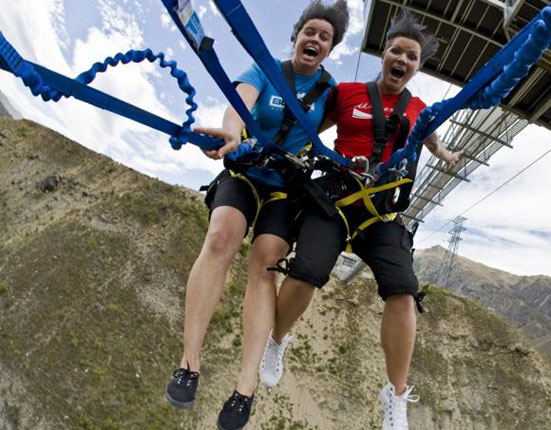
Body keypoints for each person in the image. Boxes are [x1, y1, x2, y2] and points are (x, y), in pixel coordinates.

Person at [256, 11, 462, 430]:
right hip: (336, 198)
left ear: (416, 67)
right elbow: (312, 125)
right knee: (307, 271)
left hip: (381, 212)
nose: (402, 59)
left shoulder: (418, 108)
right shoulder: (347, 93)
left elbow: (430, 137)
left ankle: (396, 394)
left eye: (412, 56)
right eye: (397, 51)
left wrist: (445, 155)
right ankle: (276, 340)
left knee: (403, 291)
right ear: (384, 54)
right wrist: (273, 144)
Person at [163, 2, 349, 430]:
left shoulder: (331, 92)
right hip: (246, 172)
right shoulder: (265, 70)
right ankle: (189, 363)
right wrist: (232, 133)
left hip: (284, 187)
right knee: (220, 238)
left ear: (330, 49)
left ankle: (244, 388)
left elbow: (347, 125)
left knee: (265, 263)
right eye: (310, 31)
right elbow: (239, 104)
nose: (315, 39)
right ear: (296, 36)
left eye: (324, 37)